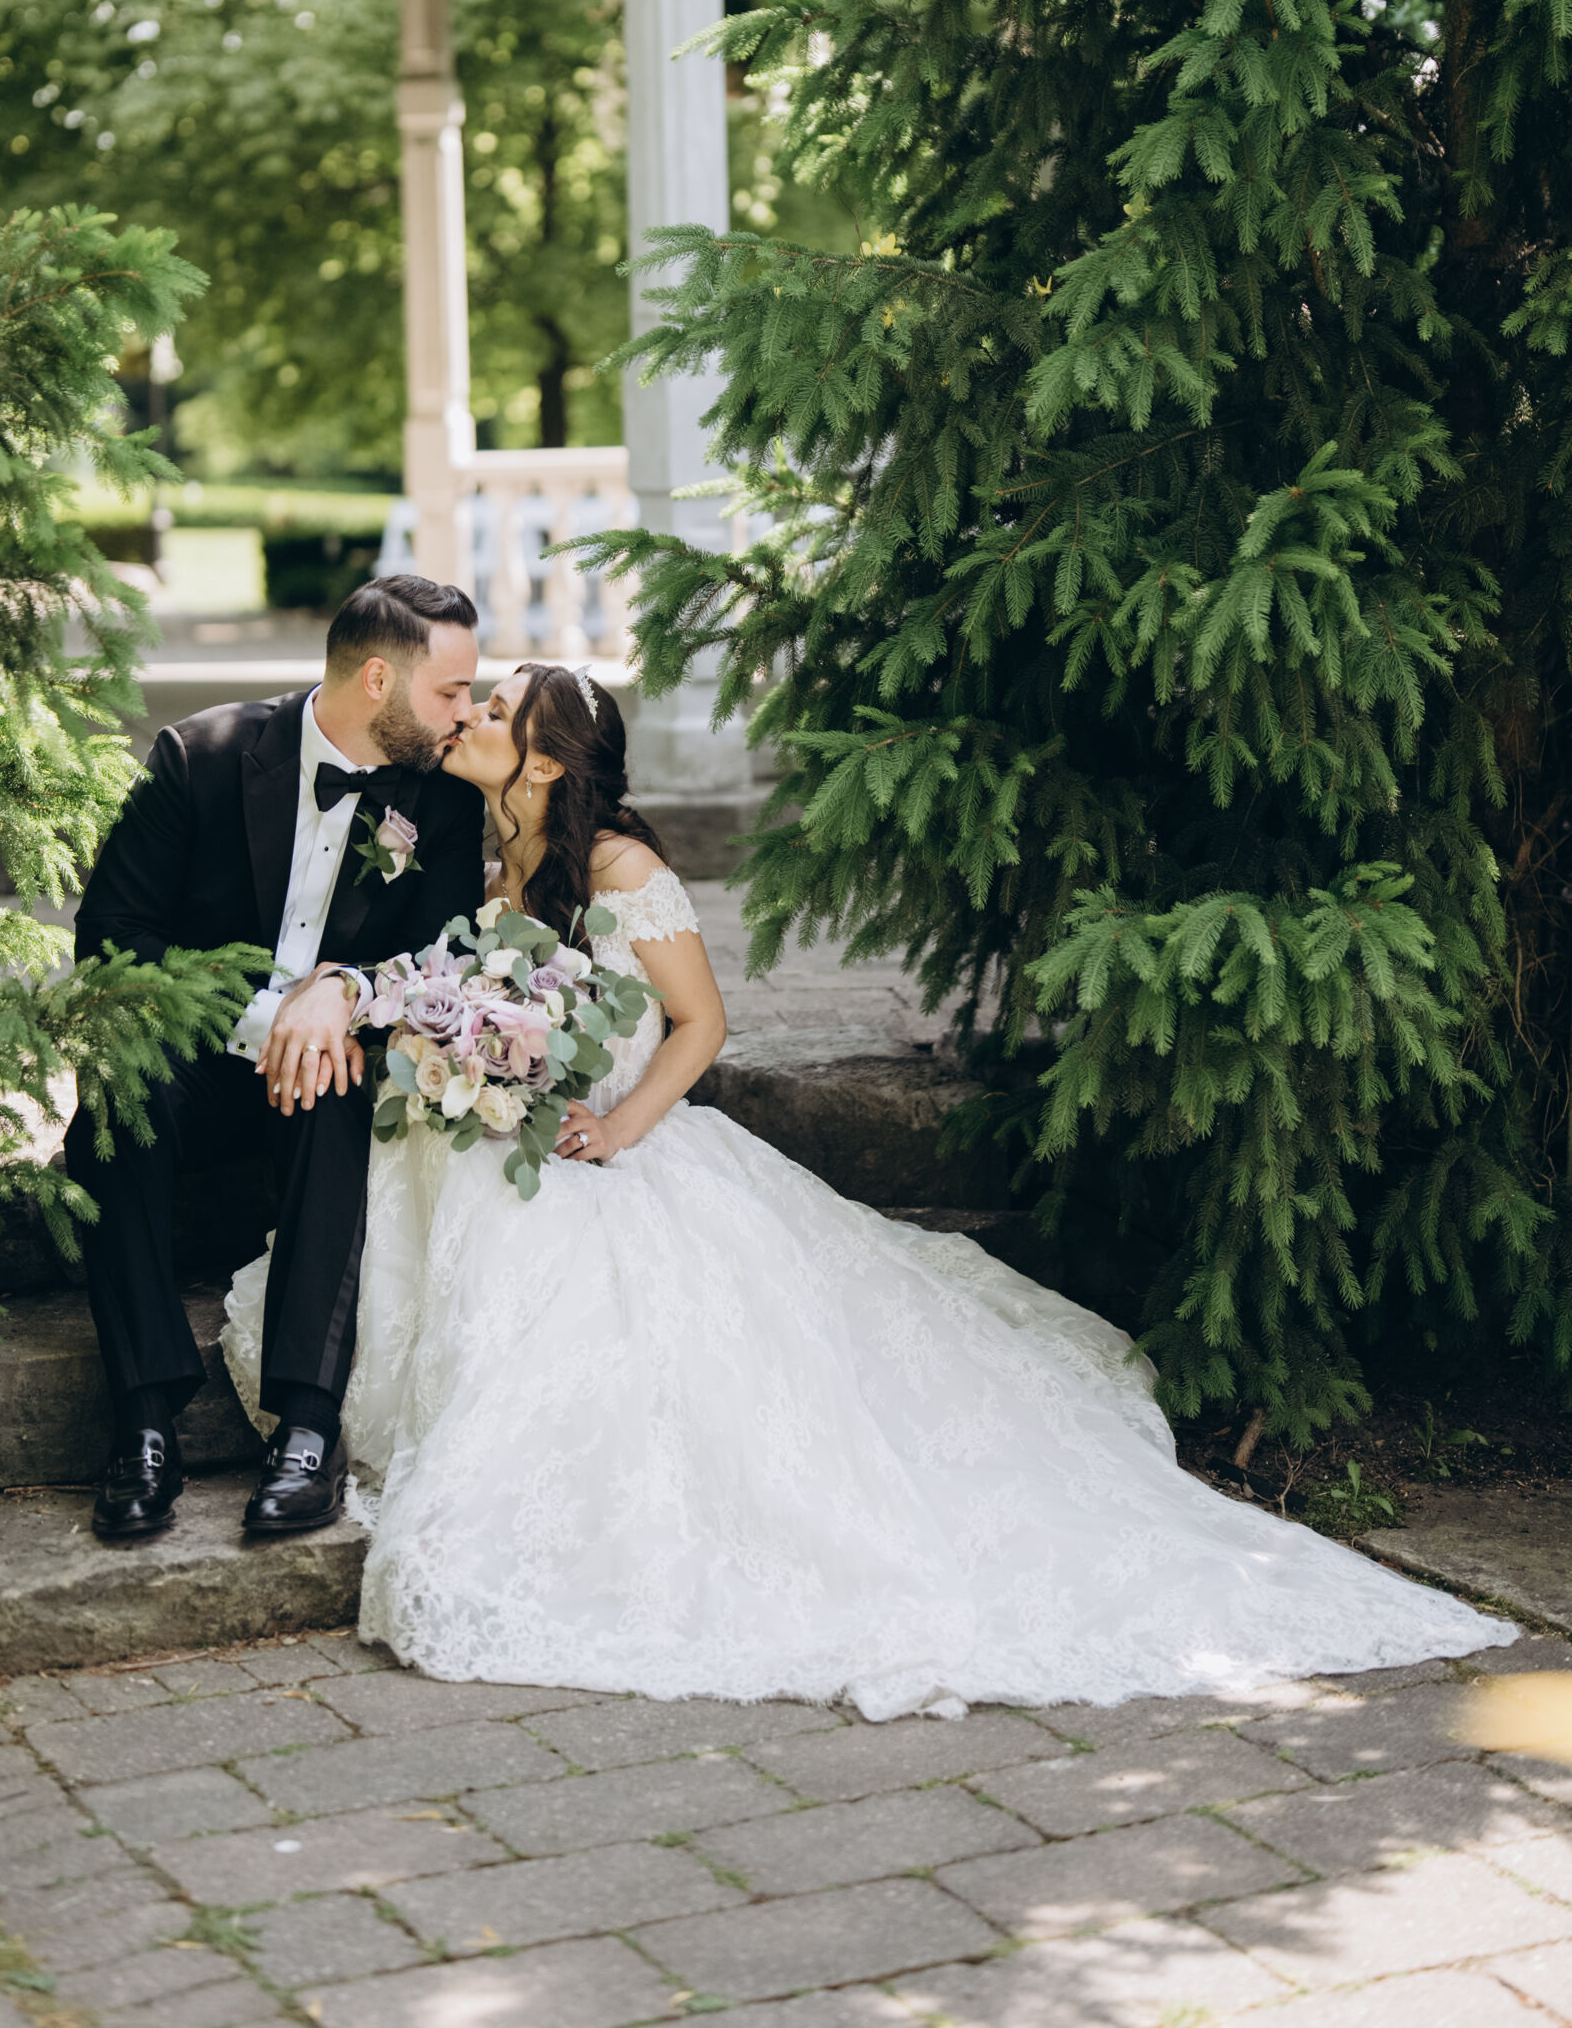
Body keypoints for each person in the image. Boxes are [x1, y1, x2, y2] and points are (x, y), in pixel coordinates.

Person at [225, 663, 1515, 1716]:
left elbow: (701, 1023)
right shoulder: (484, 852)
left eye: (497, 710)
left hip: (621, 1142)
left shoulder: (620, 870)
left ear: (549, 763)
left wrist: (619, 1123)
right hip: (519, 1121)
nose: (470, 717)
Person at [69, 574, 483, 1544]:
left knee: (337, 1088)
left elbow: (447, 954)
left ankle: (306, 1426)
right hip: (202, 1057)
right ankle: (143, 1422)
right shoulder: (200, 757)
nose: (467, 711)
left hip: (332, 1072)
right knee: (112, 1108)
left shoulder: (443, 801)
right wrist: (271, 1017)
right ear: (378, 680)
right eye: (451, 690)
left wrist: (344, 993)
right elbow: (113, 937)